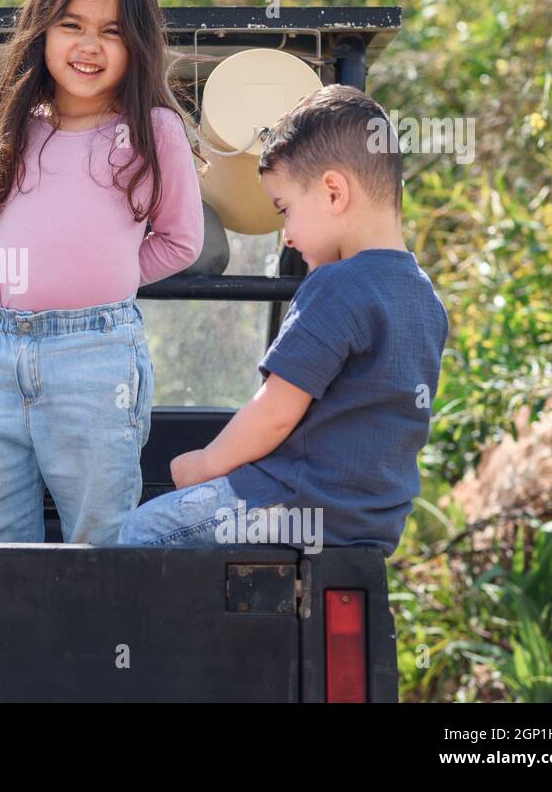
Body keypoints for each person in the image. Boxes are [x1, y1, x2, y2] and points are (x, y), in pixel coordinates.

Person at [0, 0, 205, 544]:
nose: (88, 46)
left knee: (99, 536)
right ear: (43, 31)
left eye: (111, 31)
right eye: (71, 25)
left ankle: (101, 643)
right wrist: (5, 272)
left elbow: (181, 241)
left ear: (137, 45)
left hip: (98, 353)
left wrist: (108, 275)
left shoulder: (153, 130)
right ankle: (3, 642)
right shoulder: (11, 121)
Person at [119, 85, 449, 556]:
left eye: (285, 210)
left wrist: (204, 464)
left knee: (138, 533)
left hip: (291, 504)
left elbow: (274, 414)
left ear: (334, 192)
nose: (288, 237)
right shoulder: (424, 297)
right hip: (368, 522)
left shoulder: (338, 285)